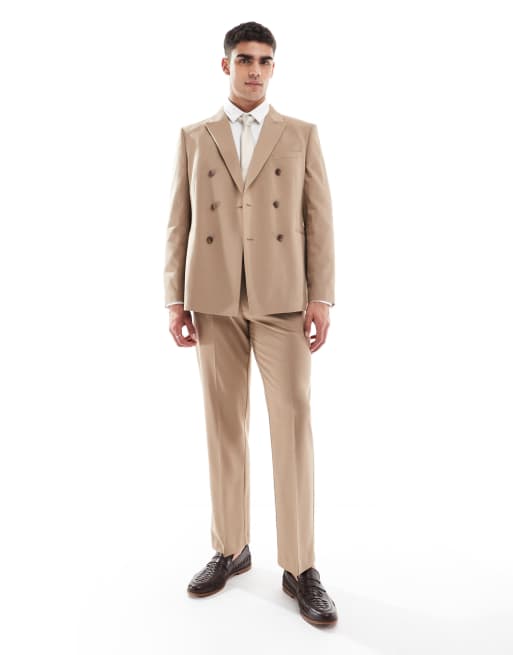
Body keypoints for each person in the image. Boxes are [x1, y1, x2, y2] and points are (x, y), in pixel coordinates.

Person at [163, 21, 337, 626]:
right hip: (212, 299)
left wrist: (322, 296)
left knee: (293, 425)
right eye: (244, 60)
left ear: (273, 67)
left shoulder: (300, 134)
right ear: (226, 65)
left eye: (264, 61)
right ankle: (230, 548)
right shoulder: (195, 136)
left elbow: (319, 219)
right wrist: (174, 300)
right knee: (222, 427)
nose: (255, 70)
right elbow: (179, 221)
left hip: (283, 299)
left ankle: (300, 566)